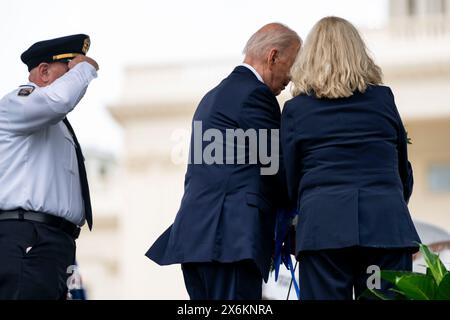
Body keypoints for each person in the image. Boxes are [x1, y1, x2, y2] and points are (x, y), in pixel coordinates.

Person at [146, 23, 301, 300]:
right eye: (293, 64)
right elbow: (277, 168)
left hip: (198, 240)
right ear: (273, 56)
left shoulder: (213, 96)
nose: (293, 76)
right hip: (229, 242)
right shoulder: (256, 95)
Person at [281, 16, 421, 300]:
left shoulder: (296, 110)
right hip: (384, 226)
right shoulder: (383, 99)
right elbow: (401, 169)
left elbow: (289, 178)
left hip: (324, 230)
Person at [0, 34, 99, 299]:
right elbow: (59, 99)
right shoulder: (18, 103)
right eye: (69, 70)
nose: (74, 78)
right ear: (44, 71)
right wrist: (86, 68)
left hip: (56, 244)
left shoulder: (54, 123)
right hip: (29, 238)